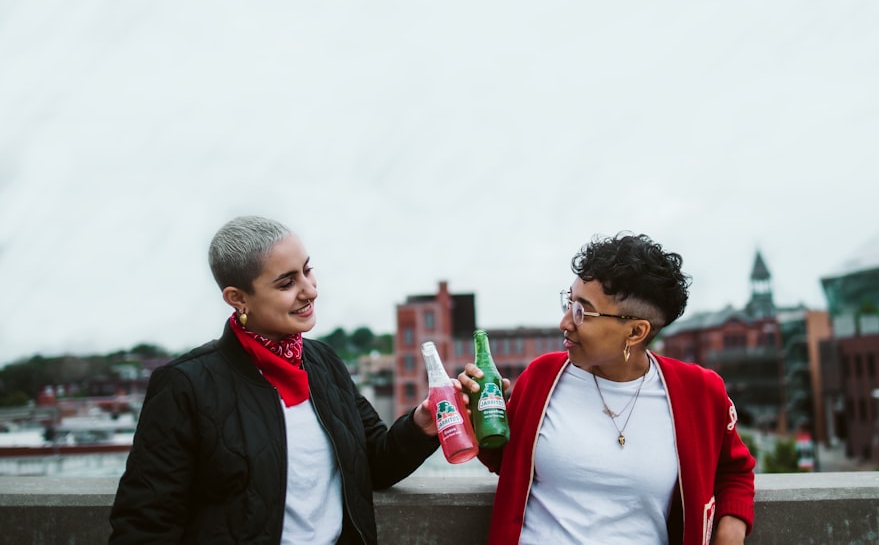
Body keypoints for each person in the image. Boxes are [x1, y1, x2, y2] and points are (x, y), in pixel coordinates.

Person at [110, 216, 442, 544]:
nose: (310, 290)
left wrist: (421, 425)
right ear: (238, 298)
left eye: (307, 270)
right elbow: (145, 525)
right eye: (286, 283)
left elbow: (373, 464)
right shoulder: (185, 385)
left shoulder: (324, 362)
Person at [459, 233, 756, 545]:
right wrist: (477, 418)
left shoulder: (699, 393)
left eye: (581, 312)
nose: (564, 322)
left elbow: (735, 471)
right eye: (568, 302)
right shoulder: (541, 377)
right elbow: (508, 461)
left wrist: (731, 529)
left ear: (636, 331)